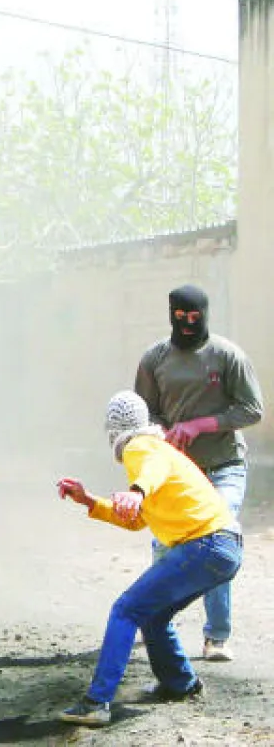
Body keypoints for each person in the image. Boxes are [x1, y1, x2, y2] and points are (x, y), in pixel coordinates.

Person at [55, 391, 242, 727]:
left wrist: (137, 490)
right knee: (152, 616)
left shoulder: (140, 447)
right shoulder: (158, 448)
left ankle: (96, 703)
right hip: (224, 547)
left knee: (126, 609)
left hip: (206, 543)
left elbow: (150, 473)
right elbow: (137, 520)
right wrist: (90, 501)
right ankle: (180, 683)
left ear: (114, 429)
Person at [133, 283, 263, 662]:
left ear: (205, 315)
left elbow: (252, 409)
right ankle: (154, 621)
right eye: (180, 317)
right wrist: (162, 433)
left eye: (195, 317)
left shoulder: (227, 356)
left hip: (224, 465)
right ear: (170, 315)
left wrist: (200, 425)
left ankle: (216, 637)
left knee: (216, 538)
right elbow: (144, 412)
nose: (188, 324)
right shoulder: (154, 358)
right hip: (175, 470)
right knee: (164, 545)